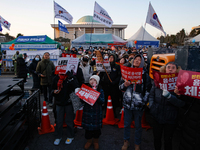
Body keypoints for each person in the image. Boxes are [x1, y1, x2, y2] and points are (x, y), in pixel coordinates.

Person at [148, 62, 185, 150]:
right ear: (165, 69)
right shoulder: (157, 80)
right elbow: (151, 95)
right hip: (157, 115)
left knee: (168, 140)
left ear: (177, 70)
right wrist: (152, 107)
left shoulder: (180, 83)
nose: (170, 69)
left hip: (171, 118)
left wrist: (171, 97)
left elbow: (182, 103)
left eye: (173, 67)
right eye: (168, 67)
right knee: (157, 139)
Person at [119, 54, 151, 150]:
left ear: (142, 62)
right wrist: (124, 85)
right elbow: (120, 87)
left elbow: (148, 89)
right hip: (127, 104)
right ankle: (126, 141)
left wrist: (144, 101)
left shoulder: (145, 74)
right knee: (126, 124)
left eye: (139, 60)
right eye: (135, 59)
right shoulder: (126, 71)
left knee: (138, 126)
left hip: (139, 105)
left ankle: (137, 143)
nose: (137, 61)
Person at [52, 71, 80, 146]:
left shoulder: (71, 77)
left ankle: (70, 136)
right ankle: (58, 136)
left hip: (69, 102)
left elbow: (76, 86)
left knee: (69, 120)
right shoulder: (56, 77)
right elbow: (51, 88)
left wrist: (71, 77)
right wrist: (53, 92)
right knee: (59, 120)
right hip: (59, 102)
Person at [82, 75, 104, 150]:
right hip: (87, 112)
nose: (92, 81)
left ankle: (95, 142)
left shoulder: (100, 90)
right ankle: (89, 141)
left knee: (96, 130)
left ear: (97, 82)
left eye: (94, 80)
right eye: (91, 79)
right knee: (88, 130)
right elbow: (82, 101)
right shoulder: (86, 89)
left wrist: (96, 95)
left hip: (96, 113)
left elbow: (102, 101)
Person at [99, 53, 121, 118]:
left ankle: (114, 113)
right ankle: (106, 112)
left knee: (113, 100)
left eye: (112, 57)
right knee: (106, 100)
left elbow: (119, 76)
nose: (111, 59)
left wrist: (114, 82)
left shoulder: (117, 66)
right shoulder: (105, 66)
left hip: (114, 86)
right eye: (110, 57)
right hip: (106, 86)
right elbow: (101, 74)